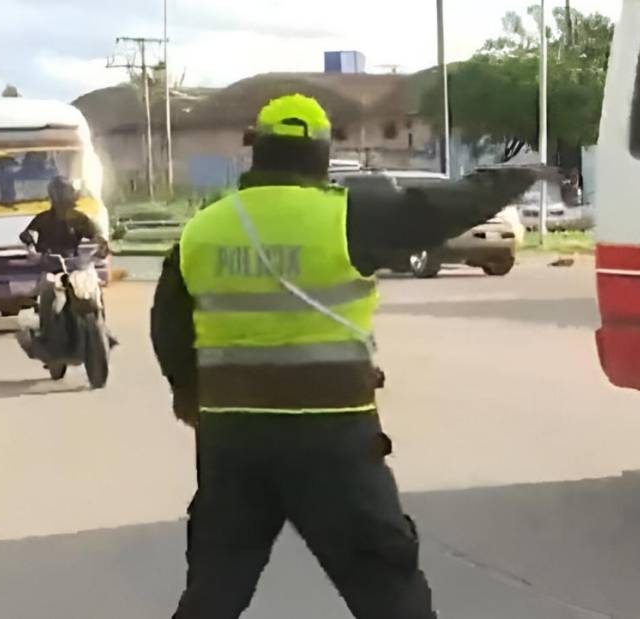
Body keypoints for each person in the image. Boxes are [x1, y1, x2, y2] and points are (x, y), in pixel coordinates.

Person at [151, 94, 535, 619]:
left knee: (215, 587)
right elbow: (443, 207)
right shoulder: (349, 217)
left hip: (232, 440)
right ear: (322, 155)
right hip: (330, 438)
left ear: (256, 150)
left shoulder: (204, 229)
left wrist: (187, 392)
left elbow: (168, 324)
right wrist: (516, 174)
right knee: (386, 584)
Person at [19, 176, 108, 259]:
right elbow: (26, 234)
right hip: (47, 265)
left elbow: (97, 237)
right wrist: (30, 243)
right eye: (58, 194)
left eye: (63, 194)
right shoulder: (43, 218)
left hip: (72, 265)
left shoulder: (79, 218)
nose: (60, 198)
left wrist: (101, 247)